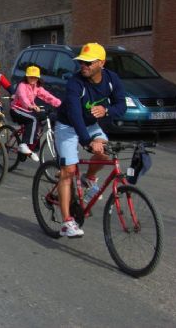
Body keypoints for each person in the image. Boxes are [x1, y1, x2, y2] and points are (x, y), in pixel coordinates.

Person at [55, 43, 126, 237]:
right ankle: (67, 222)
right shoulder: (75, 83)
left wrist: (107, 110)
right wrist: (87, 141)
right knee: (68, 171)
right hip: (67, 126)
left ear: (101, 63)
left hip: (91, 124)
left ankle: (89, 178)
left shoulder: (112, 79)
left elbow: (122, 105)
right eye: (81, 62)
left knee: (104, 154)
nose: (83, 65)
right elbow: (75, 115)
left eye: (88, 62)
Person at [10, 66, 61, 162]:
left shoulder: (37, 87)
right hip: (16, 109)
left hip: (29, 110)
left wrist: (60, 104)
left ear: (38, 78)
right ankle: (24, 145)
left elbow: (47, 96)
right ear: (26, 77)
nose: (33, 79)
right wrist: (30, 106)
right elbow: (23, 97)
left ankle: (34, 143)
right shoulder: (22, 85)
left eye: (35, 77)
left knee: (48, 116)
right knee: (33, 119)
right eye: (30, 77)